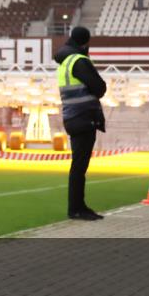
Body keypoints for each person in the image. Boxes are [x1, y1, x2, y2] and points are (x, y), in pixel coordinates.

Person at [54, 26, 107, 220]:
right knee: (79, 166)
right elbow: (100, 88)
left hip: (72, 117)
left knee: (78, 165)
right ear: (85, 42)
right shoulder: (80, 61)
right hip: (84, 117)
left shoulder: (65, 62)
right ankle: (76, 208)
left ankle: (78, 206)